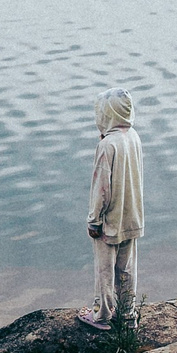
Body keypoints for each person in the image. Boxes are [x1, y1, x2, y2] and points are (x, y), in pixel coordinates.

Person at [78, 88, 144, 330]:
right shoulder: (134, 137)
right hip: (132, 216)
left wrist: (94, 220)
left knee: (104, 270)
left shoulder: (107, 145)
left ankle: (102, 315)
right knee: (127, 269)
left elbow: (101, 188)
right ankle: (127, 315)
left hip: (110, 220)